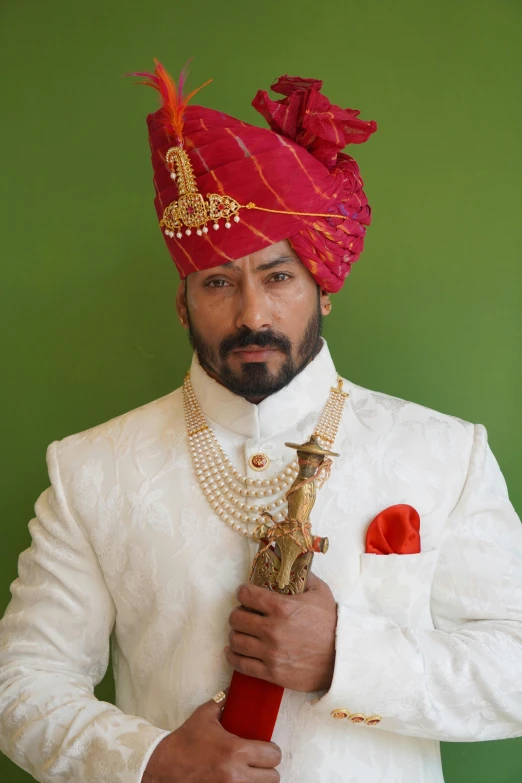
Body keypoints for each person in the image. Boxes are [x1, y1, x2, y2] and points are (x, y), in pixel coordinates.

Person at [1, 62, 522, 783]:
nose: (251, 313)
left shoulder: (444, 454)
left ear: (322, 289)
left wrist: (348, 656)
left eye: (277, 276)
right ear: (183, 304)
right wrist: (150, 761)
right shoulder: (90, 469)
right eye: (218, 282)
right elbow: (21, 683)